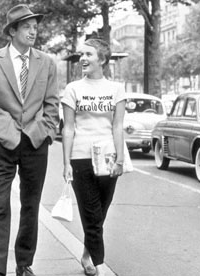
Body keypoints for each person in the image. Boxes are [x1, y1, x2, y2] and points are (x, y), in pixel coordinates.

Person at [0, 4, 58, 276]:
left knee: (31, 207)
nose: (33, 32)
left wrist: (46, 132)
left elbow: (52, 105)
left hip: (35, 143)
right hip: (3, 143)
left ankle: (24, 264)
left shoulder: (47, 63)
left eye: (35, 27)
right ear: (12, 31)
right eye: (27, 27)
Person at [61, 38, 126, 276]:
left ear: (103, 60)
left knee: (101, 210)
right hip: (80, 157)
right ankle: (99, 264)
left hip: (108, 158)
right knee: (91, 212)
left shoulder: (116, 89)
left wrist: (120, 160)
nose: (83, 59)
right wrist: (66, 162)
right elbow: (68, 128)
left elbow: (117, 126)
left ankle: (88, 254)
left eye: (88, 54)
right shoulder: (73, 89)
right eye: (81, 55)